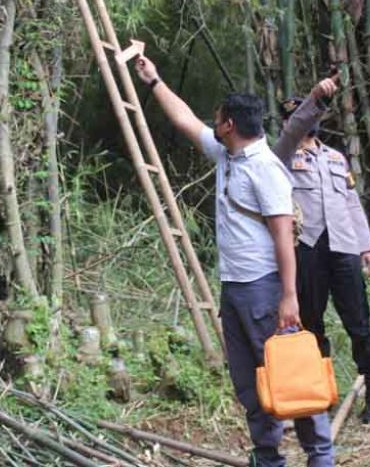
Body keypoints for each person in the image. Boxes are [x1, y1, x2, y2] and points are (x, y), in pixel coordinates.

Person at [133, 55, 333, 467]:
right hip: (235, 289)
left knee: (290, 373)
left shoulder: (265, 169)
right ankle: (268, 455)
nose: (213, 122)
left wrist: (289, 297)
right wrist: (154, 81)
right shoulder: (227, 156)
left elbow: (283, 236)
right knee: (250, 381)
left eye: (218, 117)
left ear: (229, 125)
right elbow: (185, 121)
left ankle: (321, 455)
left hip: (266, 288)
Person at [272, 76, 370, 424]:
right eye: (300, 116)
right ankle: (319, 392)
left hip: (343, 247)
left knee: (359, 323)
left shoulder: (336, 157)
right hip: (306, 248)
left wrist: (365, 245)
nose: (308, 123)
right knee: (311, 324)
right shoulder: (282, 153)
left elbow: (351, 203)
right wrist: (316, 98)